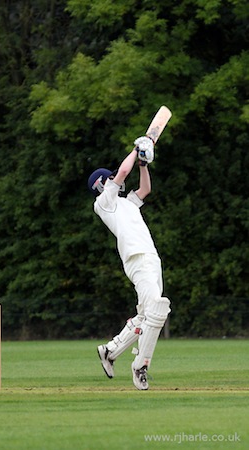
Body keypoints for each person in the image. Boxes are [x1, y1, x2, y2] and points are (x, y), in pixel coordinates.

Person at [87, 135, 171, 390]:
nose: (116, 180)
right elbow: (124, 170)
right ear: (102, 185)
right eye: (110, 179)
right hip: (137, 259)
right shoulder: (104, 204)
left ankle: (110, 351)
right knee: (157, 308)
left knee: (146, 314)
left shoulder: (127, 204)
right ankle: (140, 367)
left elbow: (145, 190)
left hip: (151, 258)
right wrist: (137, 149)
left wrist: (143, 164)